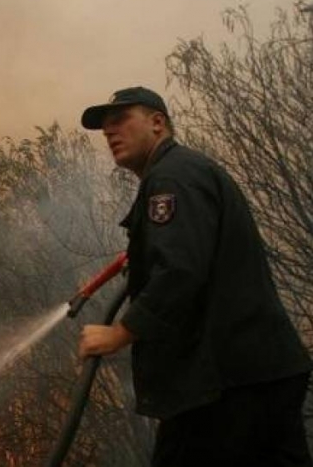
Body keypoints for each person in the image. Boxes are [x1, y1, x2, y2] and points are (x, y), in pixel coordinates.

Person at [77, 86, 313, 467]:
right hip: (261, 373)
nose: (109, 131)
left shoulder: (171, 178)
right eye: (105, 127)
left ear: (158, 123)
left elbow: (180, 271)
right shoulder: (186, 171)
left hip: (223, 386)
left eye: (120, 119)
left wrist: (119, 333)